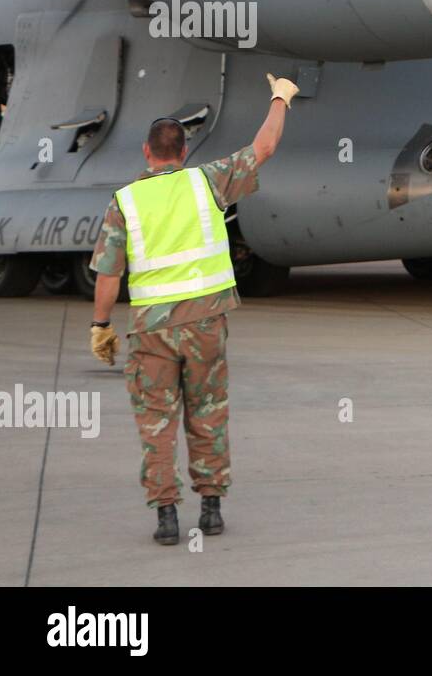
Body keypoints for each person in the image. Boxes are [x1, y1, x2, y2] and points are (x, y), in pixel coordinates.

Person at [88, 74, 299, 545]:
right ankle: (211, 509)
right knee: (208, 412)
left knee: (156, 422)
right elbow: (263, 148)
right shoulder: (207, 181)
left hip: (151, 333)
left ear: (147, 153)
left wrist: (101, 325)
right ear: (184, 152)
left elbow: (108, 275)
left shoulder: (125, 202)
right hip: (206, 325)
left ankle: (166, 515)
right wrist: (280, 97)